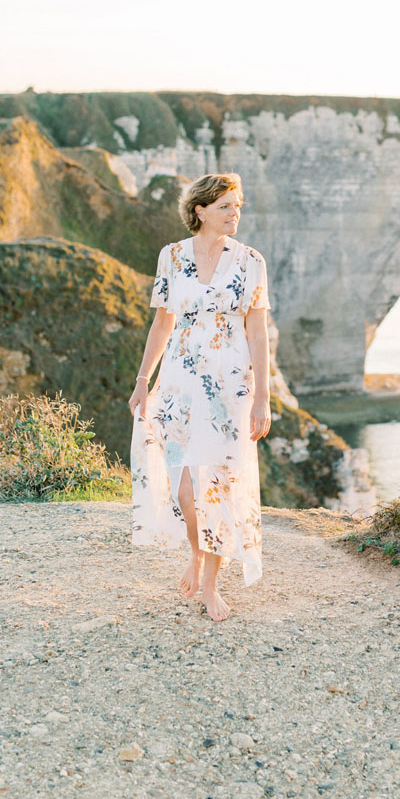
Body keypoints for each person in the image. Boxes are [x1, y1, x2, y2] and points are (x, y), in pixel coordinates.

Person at [128, 172, 272, 622]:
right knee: (185, 490)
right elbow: (162, 323)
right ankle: (196, 551)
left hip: (231, 386)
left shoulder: (251, 261)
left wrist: (264, 396)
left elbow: (257, 331)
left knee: (222, 485)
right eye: (227, 206)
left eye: (239, 206)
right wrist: (142, 379)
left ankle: (211, 583)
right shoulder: (171, 257)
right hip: (179, 384)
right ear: (200, 211)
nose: (236, 214)